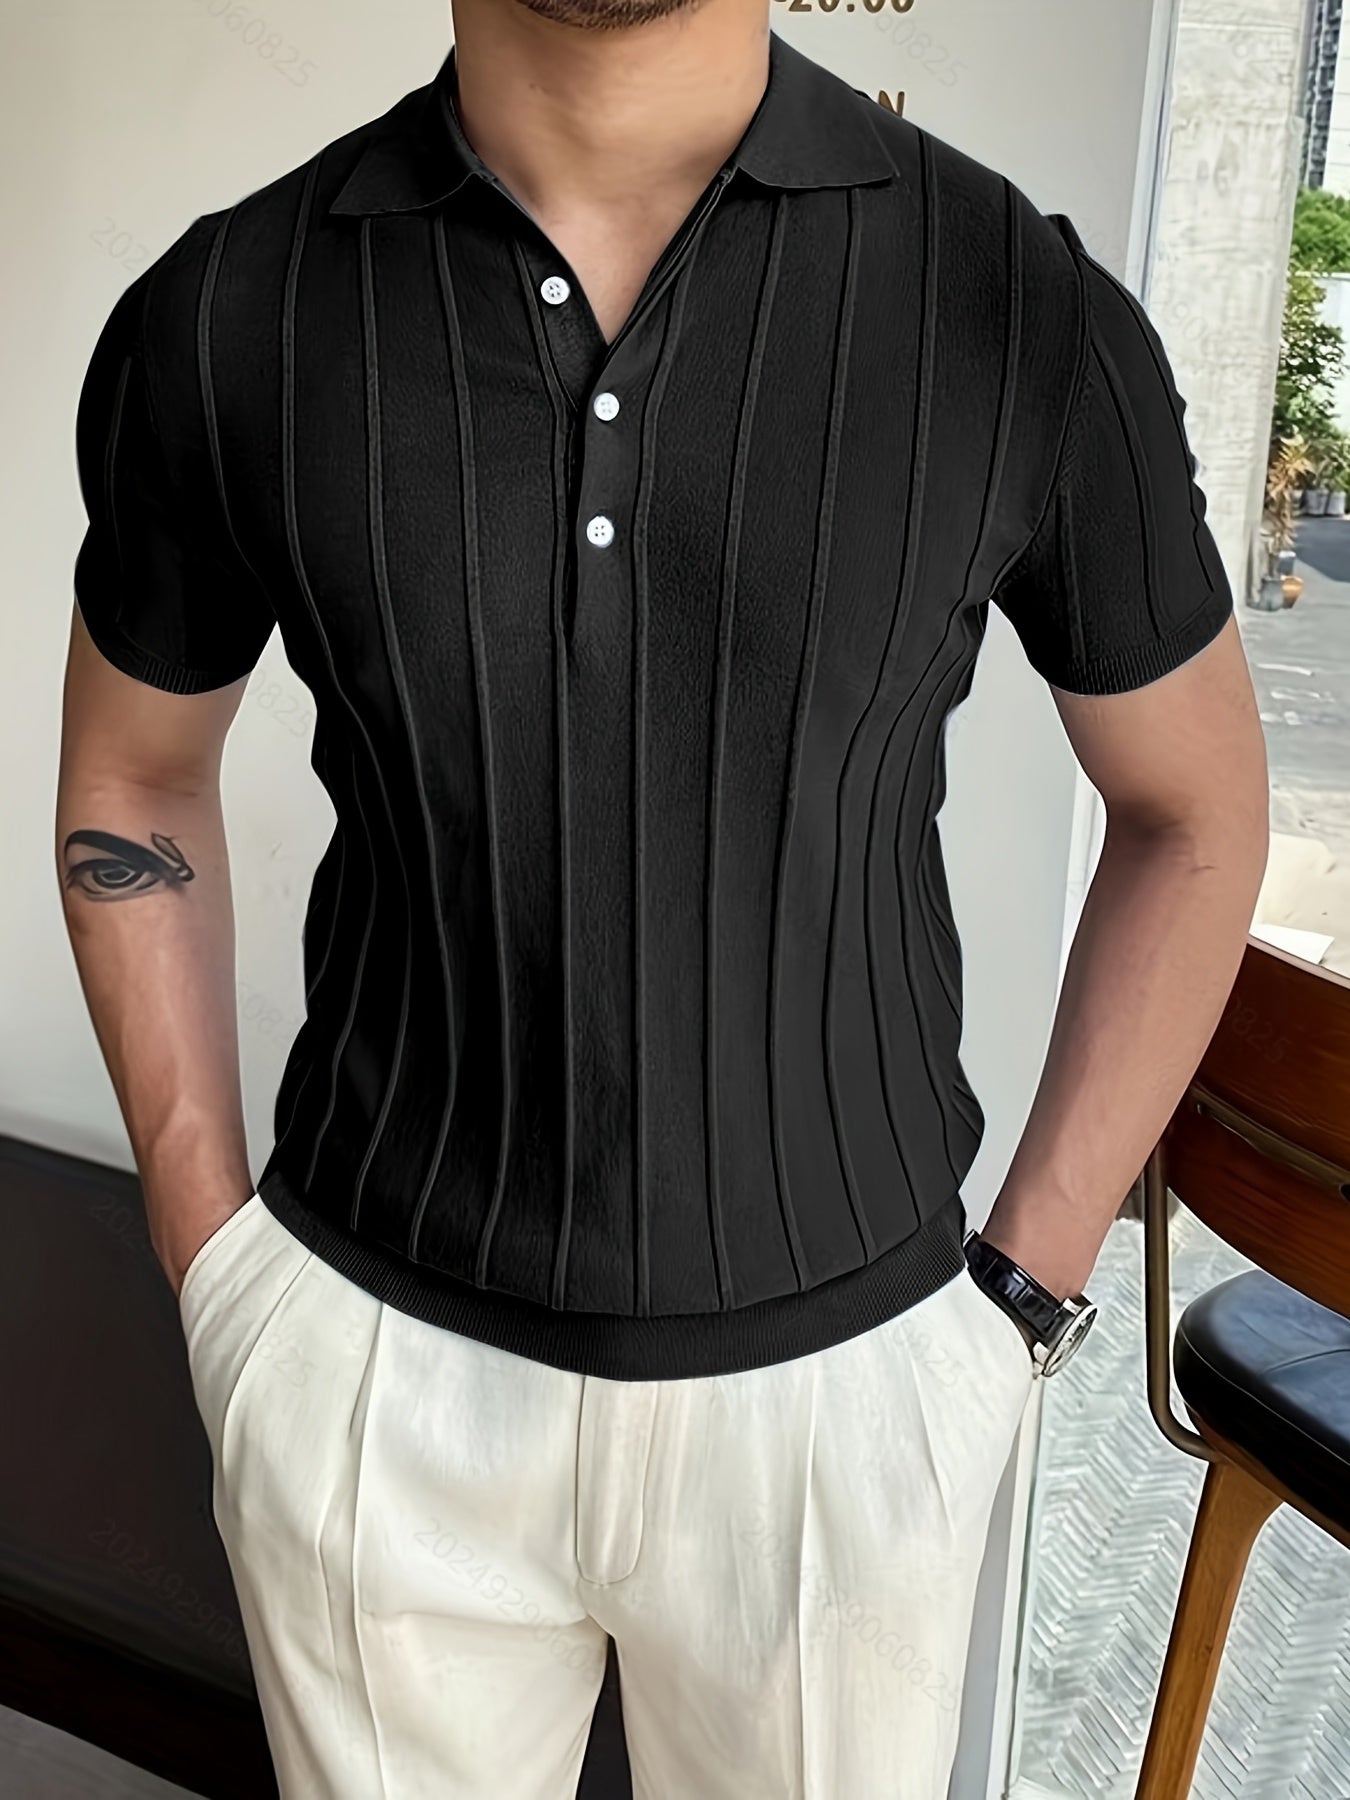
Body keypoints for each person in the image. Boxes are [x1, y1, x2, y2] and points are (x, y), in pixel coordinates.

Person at [55, 0, 1270, 1790]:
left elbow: (1193, 814)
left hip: (846, 1408)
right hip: (368, 1377)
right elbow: (132, 780)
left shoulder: (1010, 299)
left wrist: (1018, 1302)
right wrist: (214, 1257)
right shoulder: (234, 308)